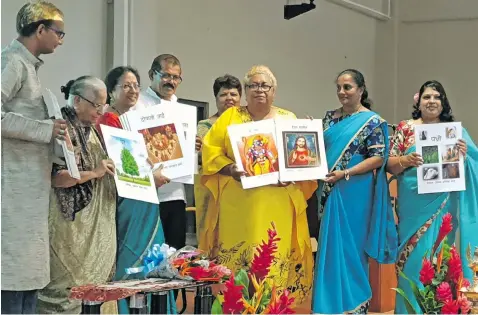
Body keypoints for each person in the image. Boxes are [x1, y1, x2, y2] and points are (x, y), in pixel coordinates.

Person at [201, 65, 317, 304]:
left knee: (273, 263)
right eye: (253, 85)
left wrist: (301, 157)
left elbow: (302, 161)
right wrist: (230, 168)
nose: (259, 90)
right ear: (245, 90)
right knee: (239, 271)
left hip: (278, 204)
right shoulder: (230, 117)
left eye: (265, 85)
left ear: (274, 91)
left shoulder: (288, 118)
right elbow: (210, 152)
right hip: (239, 205)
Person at [311, 69, 398, 314]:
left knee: (352, 249)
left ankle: (354, 306)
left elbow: (379, 158)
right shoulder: (329, 118)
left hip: (356, 192)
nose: (342, 92)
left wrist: (346, 173)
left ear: (360, 89)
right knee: (329, 247)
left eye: (347, 87)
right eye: (339, 87)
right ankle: (327, 307)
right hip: (329, 189)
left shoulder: (373, 122)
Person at [387, 80, 478, 314]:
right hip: (412, 208)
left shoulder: (454, 132)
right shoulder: (406, 128)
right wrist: (406, 160)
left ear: (443, 102)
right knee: (413, 263)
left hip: (443, 205)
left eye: (437, 97)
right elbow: (389, 163)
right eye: (427, 97)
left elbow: (473, 165)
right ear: (419, 102)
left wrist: (465, 157)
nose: (432, 101)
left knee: (440, 262)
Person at [1, 2, 66, 313]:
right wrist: (46, 129)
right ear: (40, 29)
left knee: (28, 279)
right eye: (59, 32)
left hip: (29, 188)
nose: (61, 39)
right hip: (10, 188)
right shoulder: (11, 63)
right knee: (12, 279)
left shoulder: (29, 67)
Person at [96, 66, 176, 314]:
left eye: (135, 86)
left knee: (151, 257)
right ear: (111, 91)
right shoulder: (109, 120)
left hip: (141, 198)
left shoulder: (127, 121)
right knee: (134, 259)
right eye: (126, 86)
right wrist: (150, 177)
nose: (132, 91)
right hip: (129, 200)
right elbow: (124, 168)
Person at [37, 76, 117, 314]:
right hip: (69, 229)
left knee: (98, 289)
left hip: (98, 227)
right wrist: (94, 172)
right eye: (96, 105)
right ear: (77, 100)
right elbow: (57, 178)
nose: (100, 112)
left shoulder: (93, 131)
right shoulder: (60, 128)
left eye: (104, 106)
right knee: (66, 291)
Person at [134, 54, 201, 252]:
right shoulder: (137, 103)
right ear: (151, 74)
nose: (170, 81)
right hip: (147, 191)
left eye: (175, 77)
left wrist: (193, 145)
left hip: (175, 193)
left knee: (175, 252)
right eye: (165, 75)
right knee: (148, 252)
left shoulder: (182, 109)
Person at [195, 74, 242, 249]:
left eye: (233, 94)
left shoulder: (248, 122)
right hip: (212, 189)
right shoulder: (205, 125)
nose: (229, 98)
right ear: (216, 98)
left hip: (239, 190)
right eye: (223, 94)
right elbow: (202, 156)